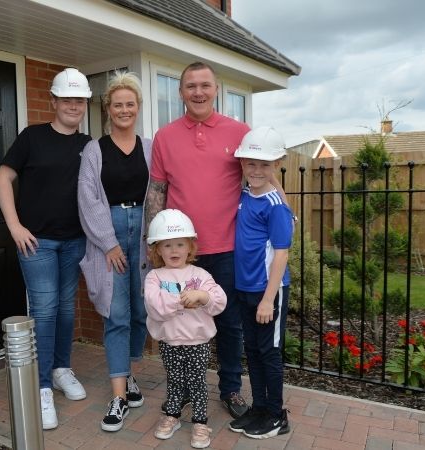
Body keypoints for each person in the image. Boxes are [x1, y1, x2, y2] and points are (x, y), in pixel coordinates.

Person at [145, 61, 286, 419]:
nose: (198, 92)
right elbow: (158, 190)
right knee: (178, 323)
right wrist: (153, 246)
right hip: (180, 253)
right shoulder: (164, 136)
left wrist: (284, 213)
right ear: (180, 92)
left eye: (205, 85)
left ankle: (231, 390)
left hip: (227, 248)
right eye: (190, 85)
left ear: (216, 89)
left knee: (228, 323)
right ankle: (185, 388)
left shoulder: (239, 131)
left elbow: (264, 172)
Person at [0, 67, 92, 430]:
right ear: (53, 101)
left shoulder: (88, 145)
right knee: (46, 310)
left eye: (79, 101)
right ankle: (42, 387)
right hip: (37, 241)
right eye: (66, 99)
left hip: (74, 241)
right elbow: (3, 177)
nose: (73, 106)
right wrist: (14, 225)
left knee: (67, 309)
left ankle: (62, 368)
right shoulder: (32, 137)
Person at [77, 72, 151, 432]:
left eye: (130, 104)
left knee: (140, 314)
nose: (124, 109)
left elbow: (159, 195)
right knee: (117, 314)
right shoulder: (95, 149)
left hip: (144, 239)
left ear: (138, 108)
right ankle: (119, 396)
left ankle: (129, 372)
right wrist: (108, 243)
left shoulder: (149, 147)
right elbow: (88, 199)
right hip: (111, 236)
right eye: (117, 104)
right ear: (108, 108)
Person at [227, 126, 293, 439]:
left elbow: (281, 254)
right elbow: (256, 176)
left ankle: (277, 415)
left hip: (269, 291)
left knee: (269, 352)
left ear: (276, 165)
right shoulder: (244, 193)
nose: (256, 170)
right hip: (245, 289)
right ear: (242, 163)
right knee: (252, 350)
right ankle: (260, 406)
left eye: (264, 164)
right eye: (250, 163)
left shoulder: (275, 206)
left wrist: (269, 299)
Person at [144, 209, 226, 449]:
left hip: (198, 342)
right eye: (167, 246)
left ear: (190, 247)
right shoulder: (154, 277)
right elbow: (154, 304)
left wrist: (202, 296)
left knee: (198, 382)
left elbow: (219, 300)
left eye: (180, 244)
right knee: (174, 380)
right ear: (157, 249)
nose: (174, 251)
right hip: (169, 342)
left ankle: (200, 422)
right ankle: (172, 416)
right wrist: (183, 299)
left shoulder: (200, 275)